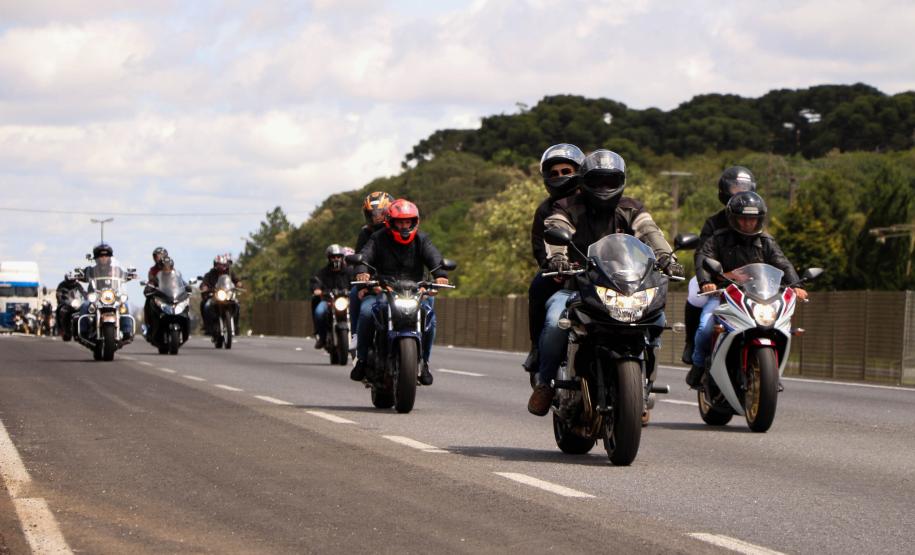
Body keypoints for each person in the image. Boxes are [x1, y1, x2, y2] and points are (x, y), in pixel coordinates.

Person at [528, 149, 684, 416]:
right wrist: (558, 258)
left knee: (656, 319)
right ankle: (545, 383)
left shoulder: (632, 208)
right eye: (596, 181)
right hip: (577, 287)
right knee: (555, 322)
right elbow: (556, 229)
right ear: (584, 181)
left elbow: (650, 232)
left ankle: (642, 388)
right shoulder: (566, 206)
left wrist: (668, 258)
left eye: (610, 181)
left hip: (624, 287)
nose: (603, 188)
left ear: (621, 181)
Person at [686, 191, 808, 388]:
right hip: (724, 294)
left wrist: (796, 285)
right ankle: (698, 366)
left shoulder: (767, 242)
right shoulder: (718, 238)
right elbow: (703, 259)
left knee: (779, 327)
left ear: (760, 219)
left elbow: (783, 264)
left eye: (753, 219)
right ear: (733, 218)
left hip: (758, 296)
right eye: (743, 219)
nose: (748, 223)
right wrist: (706, 282)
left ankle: (771, 374)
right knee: (706, 328)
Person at [350, 199, 449, 386]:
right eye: (400, 222)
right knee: (366, 312)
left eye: (407, 222)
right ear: (390, 222)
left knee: (430, 316)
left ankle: (424, 363)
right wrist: (362, 272)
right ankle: (361, 360)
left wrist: (441, 275)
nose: (404, 226)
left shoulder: (422, 239)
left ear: (414, 222)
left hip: (415, 290)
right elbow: (365, 256)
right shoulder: (377, 238)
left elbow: (434, 257)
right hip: (384, 289)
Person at [681, 166, 757, 364]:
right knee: (695, 293)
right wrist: (706, 280)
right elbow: (702, 254)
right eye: (735, 187)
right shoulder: (714, 223)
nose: (740, 191)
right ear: (724, 191)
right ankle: (691, 343)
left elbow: (772, 256)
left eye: (745, 187)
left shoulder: (756, 221)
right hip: (715, 278)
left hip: (747, 283)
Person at [523, 143, 586, 376]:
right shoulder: (545, 209)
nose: (560, 176)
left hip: (599, 273)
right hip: (561, 273)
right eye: (554, 173)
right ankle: (537, 348)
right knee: (537, 287)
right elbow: (539, 246)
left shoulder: (595, 203)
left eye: (566, 171)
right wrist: (552, 265)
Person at [349, 192, 397, 345]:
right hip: (374, 284)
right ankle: (355, 336)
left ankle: (422, 350)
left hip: (401, 286)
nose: (376, 217)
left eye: (380, 213)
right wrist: (364, 282)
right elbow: (360, 259)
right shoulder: (366, 233)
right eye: (372, 214)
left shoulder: (402, 231)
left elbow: (415, 259)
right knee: (359, 302)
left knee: (428, 306)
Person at [310, 244, 351, 349]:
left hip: (347, 301)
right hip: (328, 301)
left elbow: (356, 282)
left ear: (342, 257)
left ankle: (360, 338)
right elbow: (315, 281)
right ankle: (322, 338)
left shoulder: (349, 272)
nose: (336, 259)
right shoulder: (322, 272)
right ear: (328, 258)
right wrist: (316, 289)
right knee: (319, 312)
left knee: (361, 311)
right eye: (333, 257)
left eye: (338, 256)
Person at [199, 254, 242, 336]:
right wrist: (204, 287)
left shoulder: (230, 273)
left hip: (228, 295)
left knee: (237, 304)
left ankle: (236, 326)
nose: (221, 266)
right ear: (215, 264)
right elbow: (204, 283)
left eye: (223, 264)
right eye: (219, 264)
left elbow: (236, 280)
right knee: (205, 305)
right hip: (214, 296)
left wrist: (239, 284)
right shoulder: (210, 274)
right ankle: (207, 326)